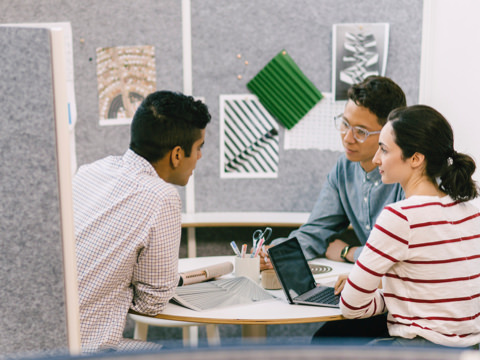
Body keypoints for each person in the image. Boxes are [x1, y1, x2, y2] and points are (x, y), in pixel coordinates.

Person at [72, 91, 211, 352]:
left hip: (44, 342)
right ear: (177, 154)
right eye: (199, 148)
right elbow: (152, 302)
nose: (200, 157)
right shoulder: (162, 197)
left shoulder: (91, 171)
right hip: (88, 349)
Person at [338, 105, 480, 348]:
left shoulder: (400, 217)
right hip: (469, 350)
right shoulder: (471, 208)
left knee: (328, 342)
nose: (376, 159)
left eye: (384, 149)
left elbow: (351, 306)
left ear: (415, 158)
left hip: (421, 350)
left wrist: (389, 298)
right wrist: (400, 295)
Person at [262, 76, 406, 269]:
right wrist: (278, 253)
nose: (347, 138)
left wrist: (349, 252)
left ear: (390, 133)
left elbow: (402, 252)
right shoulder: (344, 168)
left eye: (361, 132)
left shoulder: (409, 174)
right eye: (345, 124)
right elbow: (316, 231)